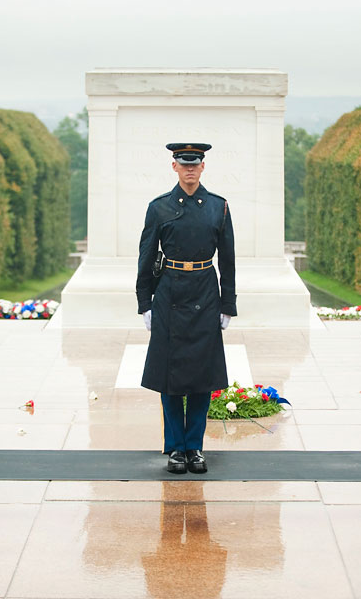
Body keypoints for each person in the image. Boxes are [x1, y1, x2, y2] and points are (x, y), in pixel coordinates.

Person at [136, 143, 236, 474]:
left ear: (203, 167)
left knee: (201, 376)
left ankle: (195, 447)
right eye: (184, 163)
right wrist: (144, 302)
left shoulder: (218, 207)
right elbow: (147, 256)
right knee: (169, 375)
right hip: (169, 292)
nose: (190, 168)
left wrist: (227, 303)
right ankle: (176, 448)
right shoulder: (159, 208)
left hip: (205, 291)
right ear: (175, 166)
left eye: (195, 163)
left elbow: (228, 259)